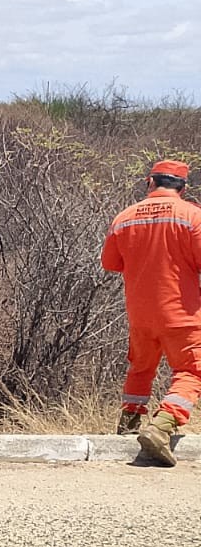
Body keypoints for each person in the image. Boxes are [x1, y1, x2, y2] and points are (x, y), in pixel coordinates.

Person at [101, 159, 201, 467]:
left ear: (150, 182)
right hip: (181, 312)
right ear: (183, 188)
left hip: (140, 313)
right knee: (192, 371)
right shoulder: (192, 216)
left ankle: (128, 427)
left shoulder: (124, 217)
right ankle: (162, 426)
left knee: (141, 368)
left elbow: (110, 263)